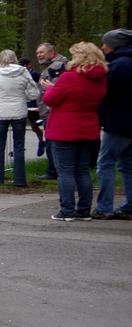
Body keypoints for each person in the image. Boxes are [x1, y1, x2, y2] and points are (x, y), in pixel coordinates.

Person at [42, 41, 108, 220]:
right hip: (88, 128)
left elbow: (51, 100)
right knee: (82, 170)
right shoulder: (101, 78)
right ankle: (84, 210)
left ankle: (67, 210)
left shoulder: (69, 77)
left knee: (65, 171)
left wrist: (50, 88)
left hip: (64, 129)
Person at [93, 29, 132, 219]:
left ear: (115, 45)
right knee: (127, 164)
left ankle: (104, 207)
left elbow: (106, 90)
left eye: (105, 43)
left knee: (106, 163)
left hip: (120, 120)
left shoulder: (121, 64)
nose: (103, 47)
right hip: (126, 119)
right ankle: (129, 206)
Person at [0, 48, 39, 187]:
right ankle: (20, 180)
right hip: (19, 111)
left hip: (0, 112)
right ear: (15, 58)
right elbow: (34, 93)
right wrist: (24, 97)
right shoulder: (23, 72)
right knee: (19, 146)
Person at [35, 42, 69, 179]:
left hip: (51, 112)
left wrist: (48, 109)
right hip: (49, 110)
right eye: (37, 53)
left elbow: (55, 90)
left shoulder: (56, 67)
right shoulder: (56, 65)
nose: (39, 55)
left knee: (51, 142)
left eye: (41, 52)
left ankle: (53, 171)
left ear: (51, 52)